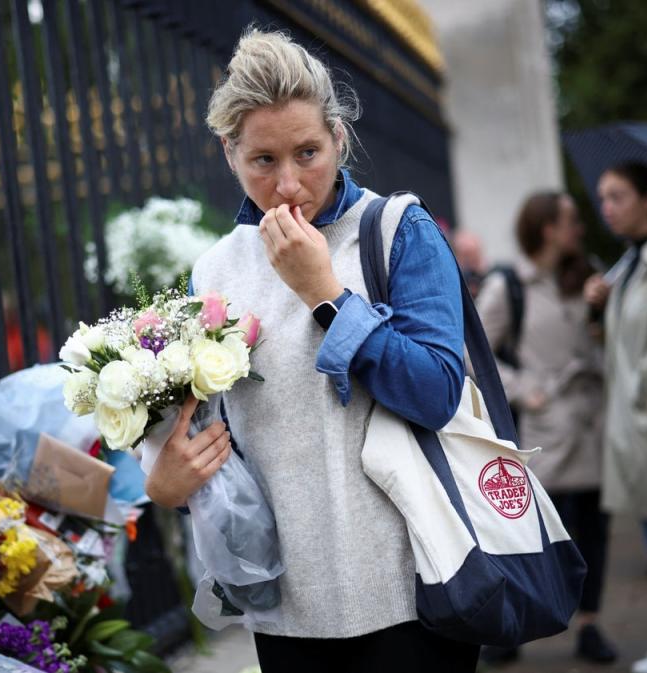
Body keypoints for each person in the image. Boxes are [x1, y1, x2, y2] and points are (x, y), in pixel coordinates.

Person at [143, 28, 477, 672]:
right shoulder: (212, 271)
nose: (290, 183)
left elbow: (437, 393)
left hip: (414, 592)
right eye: (263, 160)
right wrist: (172, 483)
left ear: (339, 139)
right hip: (287, 606)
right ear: (229, 154)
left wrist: (324, 294)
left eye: (308, 152)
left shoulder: (396, 230)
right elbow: (214, 437)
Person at [475, 191, 616, 665]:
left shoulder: (590, 278)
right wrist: (523, 389)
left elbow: (605, 344)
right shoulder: (509, 284)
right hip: (544, 434)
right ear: (547, 228)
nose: (580, 226)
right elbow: (475, 352)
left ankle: (591, 625)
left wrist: (602, 312)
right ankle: (513, 624)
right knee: (529, 536)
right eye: (571, 219)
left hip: (594, 425)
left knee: (594, 532)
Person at [583, 161, 647, 673]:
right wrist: (600, 309)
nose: (606, 208)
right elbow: (624, 350)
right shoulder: (630, 265)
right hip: (637, 433)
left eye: (617, 196)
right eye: (603, 197)